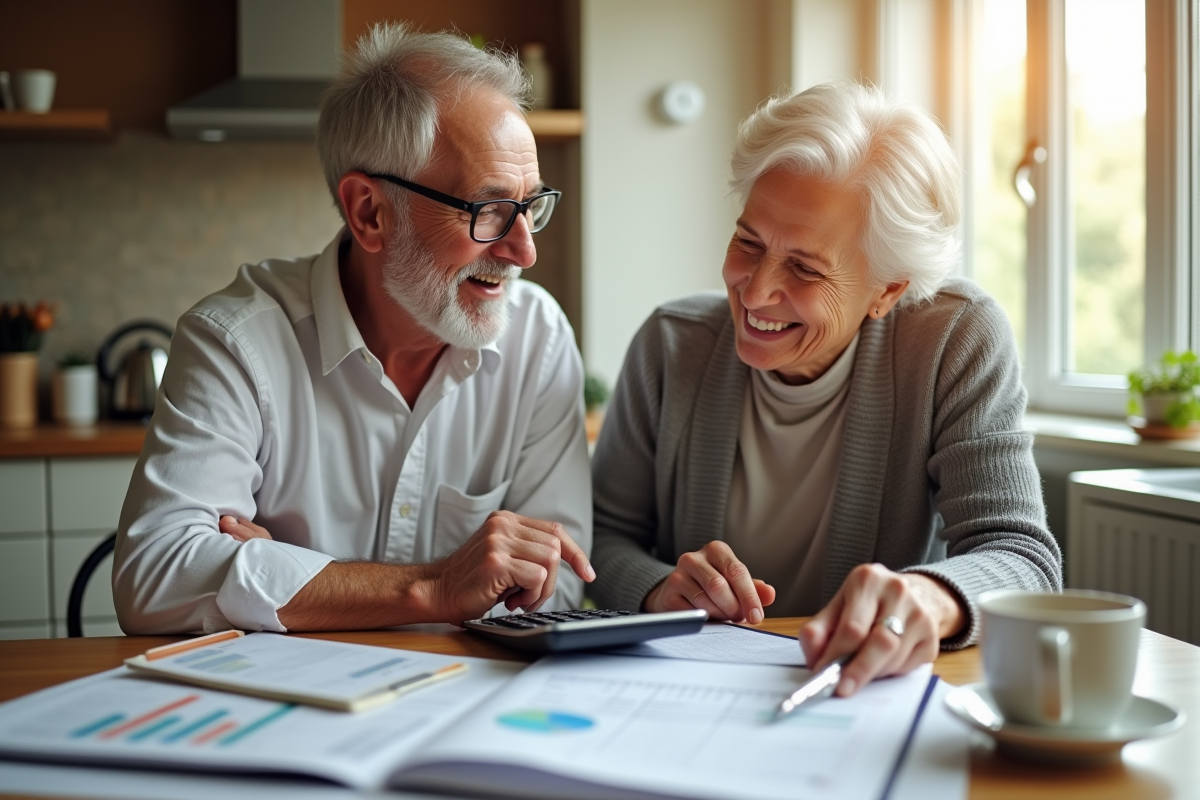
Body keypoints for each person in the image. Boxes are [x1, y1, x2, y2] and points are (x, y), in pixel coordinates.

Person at [113, 24, 594, 635]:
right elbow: (155, 577)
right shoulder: (236, 341)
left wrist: (282, 576)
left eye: (529, 207)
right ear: (370, 212)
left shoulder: (538, 338)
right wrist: (435, 587)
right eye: (488, 209)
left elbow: (561, 584)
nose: (524, 251)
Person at [589, 82, 1060, 696]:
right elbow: (603, 535)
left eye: (805, 268)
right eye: (748, 243)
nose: (756, 291)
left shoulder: (954, 338)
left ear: (887, 290)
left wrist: (926, 597)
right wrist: (658, 588)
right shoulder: (672, 342)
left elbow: (1022, 557)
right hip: (692, 688)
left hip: (865, 690)